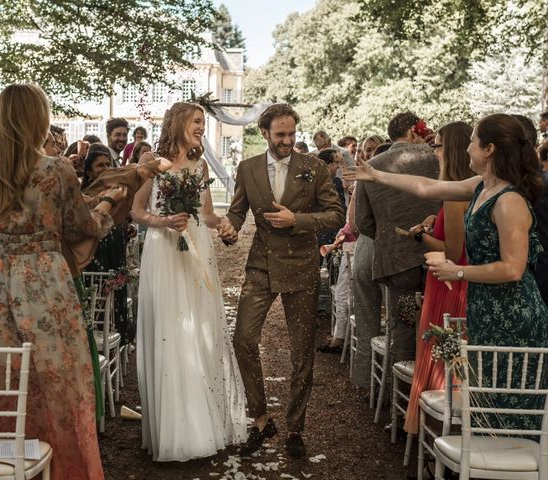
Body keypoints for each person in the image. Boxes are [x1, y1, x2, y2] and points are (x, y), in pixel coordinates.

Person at [0, 83, 125, 480]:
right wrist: (106, 205)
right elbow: (81, 228)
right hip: (47, 286)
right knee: (59, 384)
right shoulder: (56, 171)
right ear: (40, 120)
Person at [347, 113, 548, 430]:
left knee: (507, 407)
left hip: (511, 314)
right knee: (484, 403)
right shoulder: (483, 185)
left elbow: (513, 268)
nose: (467, 148)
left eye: (473, 141)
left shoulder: (509, 200)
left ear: (490, 149)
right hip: (486, 308)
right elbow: (427, 187)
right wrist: (376, 175)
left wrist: (457, 272)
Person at [223, 103, 344, 458]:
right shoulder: (247, 168)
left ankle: (295, 429)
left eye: (291, 134)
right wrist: (230, 229)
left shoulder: (315, 167)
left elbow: (335, 213)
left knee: (301, 351)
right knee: (243, 339)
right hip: (260, 264)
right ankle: (261, 420)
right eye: (280, 135)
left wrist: (298, 220)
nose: (287, 140)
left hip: (302, 266)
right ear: (264, 133)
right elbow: (236, 210)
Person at [132, 102, 247, 462]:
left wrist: (225, 225)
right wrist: (162, 222)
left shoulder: (199, 166)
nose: (201, 128)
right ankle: (172, 429)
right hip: (163, 250)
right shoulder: (153, 161)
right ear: (180, 122)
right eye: (197, 122)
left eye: (202, 122)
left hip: (196, 249)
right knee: (169, 329)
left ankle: (199, 423)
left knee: (197, 332)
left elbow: (208, 214)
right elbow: (135, 210)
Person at [354, 112, 439, 379]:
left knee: (402, 324)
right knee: (440, 323)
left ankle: (399, 404)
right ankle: (434, 394)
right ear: (415, 131)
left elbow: (363, 223)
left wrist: (390, 237)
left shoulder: (372, 165)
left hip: (398, 262)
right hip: (440, 253)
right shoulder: (437, 157)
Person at [402, 122, 473, 435]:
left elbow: (455, 252)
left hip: (451, 285)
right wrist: (434, 223)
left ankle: (441, 441)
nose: (433, 149)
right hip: (443, 281)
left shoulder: (457, 195)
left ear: (453, 149)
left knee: (445, 363)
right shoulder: (455, 191)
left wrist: (419, 237)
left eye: (439, 144)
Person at [82, 144, 132, 343]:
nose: (104, 169)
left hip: (115, 252)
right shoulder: (84, 195)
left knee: (115, 300)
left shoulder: (119, 193)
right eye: (99, 166)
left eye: (108, 165)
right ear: (89, 171)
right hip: (94, 256)